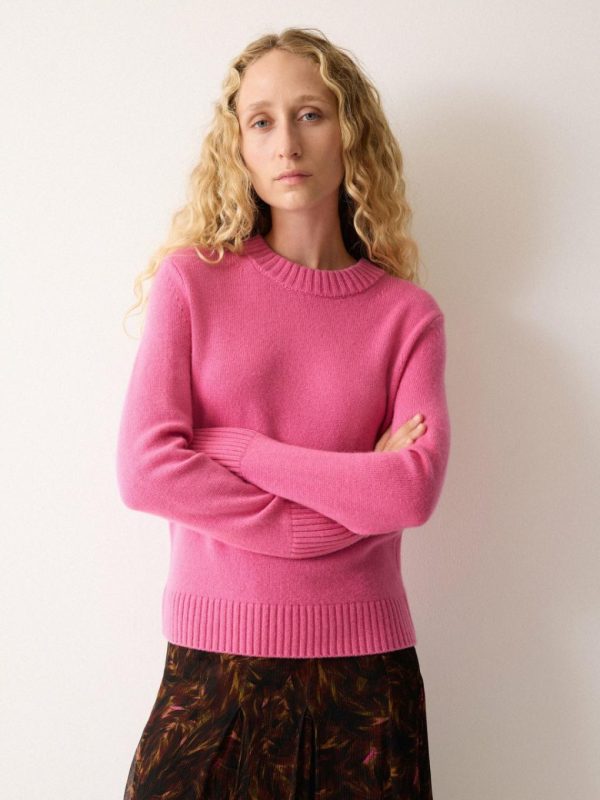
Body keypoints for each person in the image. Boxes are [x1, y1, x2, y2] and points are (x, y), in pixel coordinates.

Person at [117, 25, 451, 800]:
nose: (287, 143)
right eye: (261, 121)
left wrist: (238, 449)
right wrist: (350, 489)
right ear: (237, 144)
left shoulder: (407, 317)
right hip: (213, 669)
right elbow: (147, 471)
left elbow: (409, 492)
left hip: (365, 681)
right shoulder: (193, 284)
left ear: (350, 131)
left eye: (311, 114)